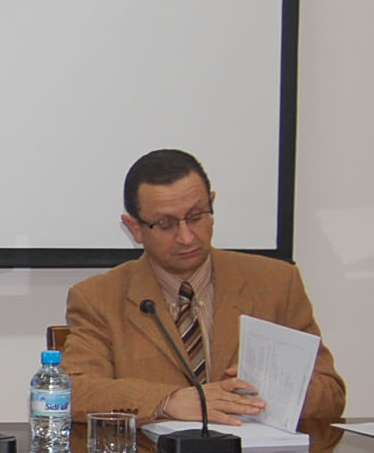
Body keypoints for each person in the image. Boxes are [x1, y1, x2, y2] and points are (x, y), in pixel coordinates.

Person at [62, 149, 344, 423]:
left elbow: (330, 393)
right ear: (135, 228)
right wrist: (167, 401)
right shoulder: (98, 298)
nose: (186, 237)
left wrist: (268, 393)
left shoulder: (276, 283)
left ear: (212, 204)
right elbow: (75, 391)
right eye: (165, 224)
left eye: (196, 217)